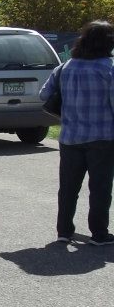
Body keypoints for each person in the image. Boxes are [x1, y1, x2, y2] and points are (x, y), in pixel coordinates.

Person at [40, 20, 114, 246]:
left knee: (69, 187)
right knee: (100, 188)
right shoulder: (109, 68)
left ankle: (64, 231)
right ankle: (99, 234)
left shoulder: (66, 66)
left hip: (70, 137)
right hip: (102, 137)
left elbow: (44, 95)